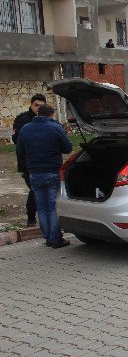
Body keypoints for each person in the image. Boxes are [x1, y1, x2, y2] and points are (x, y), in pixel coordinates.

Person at [16, 104, 72, 249]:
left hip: (34, 172)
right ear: (51, 115)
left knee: (41, 207)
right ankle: (55, 239)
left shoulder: (25, 129)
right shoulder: (55, 128)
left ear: (38, 114)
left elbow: (19, 150)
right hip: (52, 171)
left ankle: (47, 237)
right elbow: (68, 148)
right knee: (53, 207)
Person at [12, 93, 46, 226]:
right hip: (28, 163)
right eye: (36, 105)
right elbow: (16, 140)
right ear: (31, 105)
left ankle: (46, 220)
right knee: (35, 190)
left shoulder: (48, 120)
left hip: (45, 162)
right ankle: (31, 217)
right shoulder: (22, 119)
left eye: (41, 106)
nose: (38, 108)